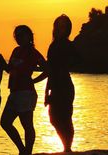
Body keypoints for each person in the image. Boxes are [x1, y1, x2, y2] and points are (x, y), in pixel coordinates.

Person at [0, 25, 46, 155]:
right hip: (14, 92)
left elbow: (47, 69)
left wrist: (34, 81)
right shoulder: (16, 51)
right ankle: (22, 149)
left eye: (21, 34)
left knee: (27, 124)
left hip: (26, 92)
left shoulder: (33, 52)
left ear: (29, 36)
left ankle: (27, 152)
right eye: (17, 35)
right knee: (5, 122)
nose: (19, 38)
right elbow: (9, 69)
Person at [45, 15, 77, 152]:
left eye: (63, 25)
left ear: (68, 28)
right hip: (55, 85)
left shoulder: (68, 45)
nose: (60, 28)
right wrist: (46, 92)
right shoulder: (53, 45)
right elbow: (50, 69)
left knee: (65, 116)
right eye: (58, 25)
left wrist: (64, 66)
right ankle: (66, 147)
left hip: (65, 84)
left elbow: (78, 60)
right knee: (54, 118)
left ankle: (67, 148)